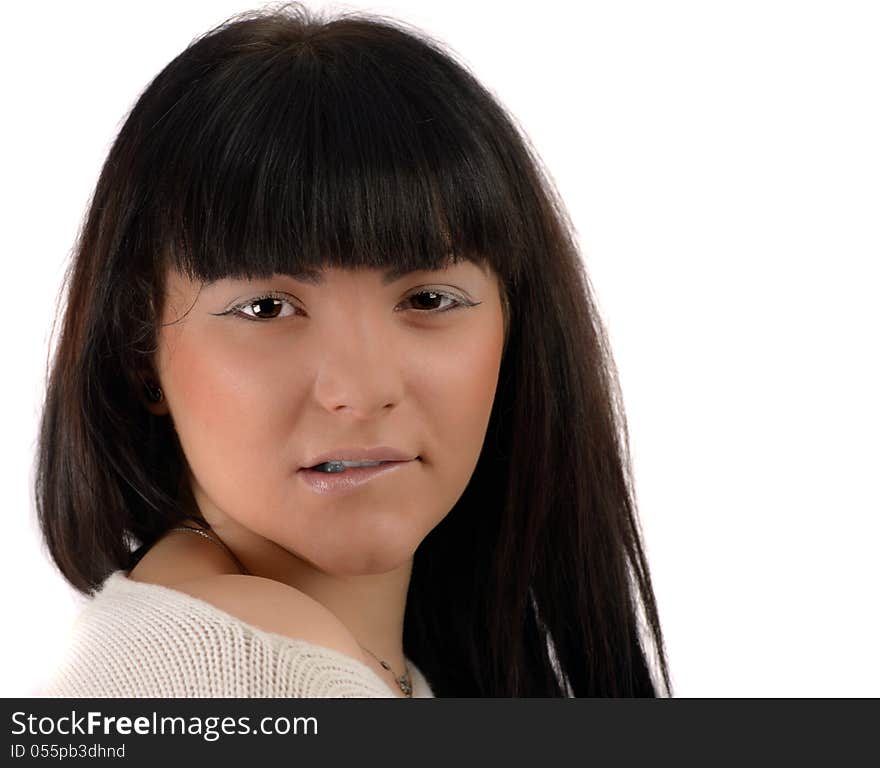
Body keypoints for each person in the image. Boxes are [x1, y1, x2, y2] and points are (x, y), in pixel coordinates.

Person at [35, 2, 670, 697]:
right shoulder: (248, 672)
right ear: (137, 353)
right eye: (267, 308)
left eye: (428, 300)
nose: (363, 389)